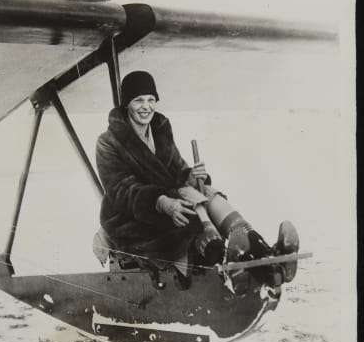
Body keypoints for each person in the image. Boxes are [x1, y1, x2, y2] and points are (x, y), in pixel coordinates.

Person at [95, 71, 298, 285]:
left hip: (170, 200)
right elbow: (121, 190)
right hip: (131, 218)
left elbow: (176, 171)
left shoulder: (160, 129)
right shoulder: (108, 142)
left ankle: (265, 252)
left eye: (151, 100)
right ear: (127, 104)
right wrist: (162, 203)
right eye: (139, 100)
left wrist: (190, 177)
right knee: (189, 213)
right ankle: (223, 259)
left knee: (209, 194)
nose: (146, 107)